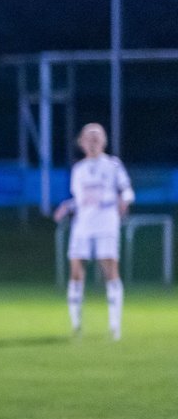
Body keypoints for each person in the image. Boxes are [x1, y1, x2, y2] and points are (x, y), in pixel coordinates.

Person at [53, 123, 134, 340]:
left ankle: (115, 326)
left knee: (110, 270)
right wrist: (67, 207)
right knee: (76, 271)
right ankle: (76, 325)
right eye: (89, 136)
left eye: (97, 136)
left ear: (104, 141)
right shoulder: (78, 170)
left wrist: (124, 201)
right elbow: (81, 201)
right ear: (82, 142)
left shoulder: (113, 166)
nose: (93, 140)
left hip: (106, 223)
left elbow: (127, 190)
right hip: (83, 225)